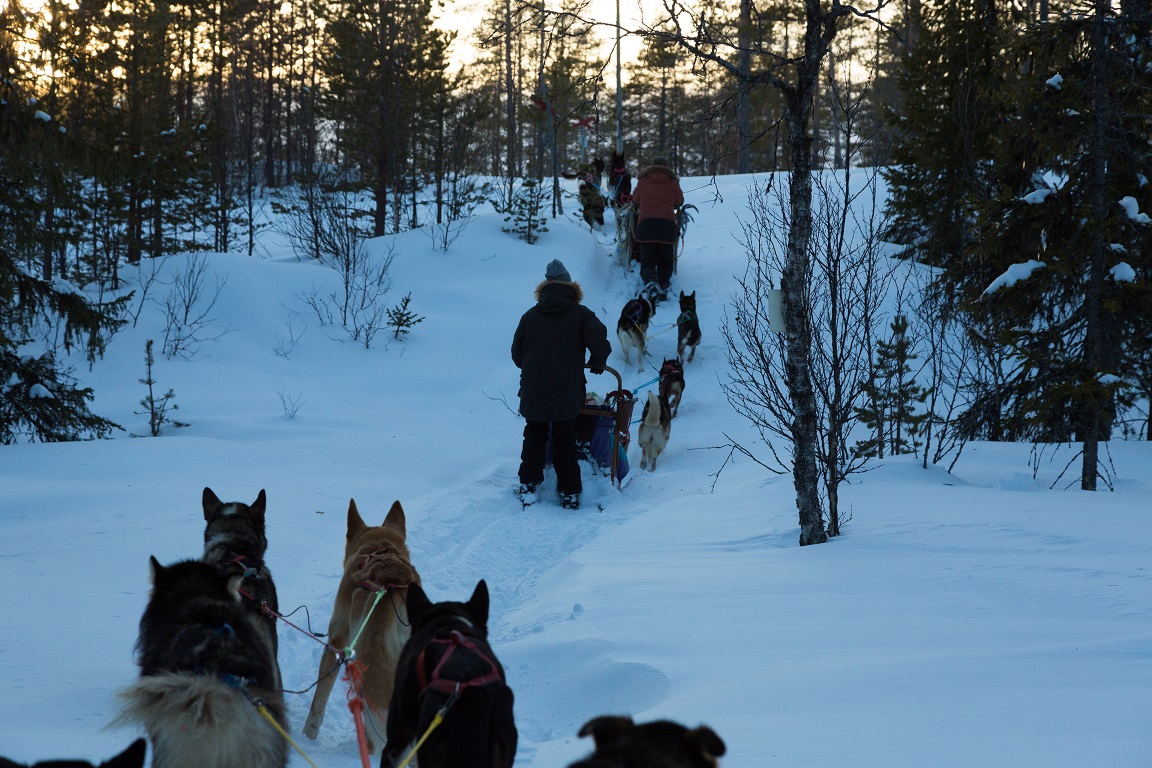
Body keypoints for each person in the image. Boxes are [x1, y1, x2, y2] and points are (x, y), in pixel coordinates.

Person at [511, 259, 611, 510]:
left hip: (534, 389)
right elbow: (599, 339)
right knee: (565, 437)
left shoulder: (530, 316)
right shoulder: (581, 315)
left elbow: (516, 354)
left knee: (534, 434)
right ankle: (569, 492)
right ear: (570, 287)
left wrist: (535, 368)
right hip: (567, 390)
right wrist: (597, 362)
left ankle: (529, 485)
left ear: (544, 288)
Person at [630, 154, 684, 300]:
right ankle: (663, 284)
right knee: (666, 259)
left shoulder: (643, 181)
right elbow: (679, 201)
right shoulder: (673, 182)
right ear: (667, 167)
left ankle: (650, 282)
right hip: (666, 227)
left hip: (646, 226)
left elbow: (635, 200)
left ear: (652, 166)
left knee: (647, 260)